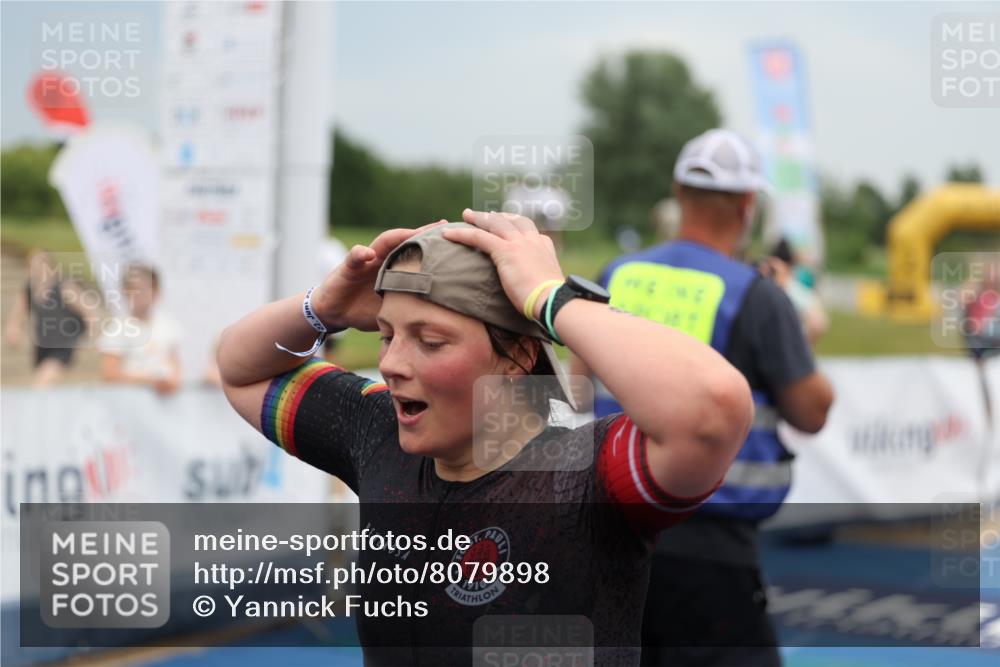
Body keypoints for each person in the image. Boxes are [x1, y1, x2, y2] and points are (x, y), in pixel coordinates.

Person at [217, 210, 754, 665]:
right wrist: (323, 309)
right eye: (386, 335)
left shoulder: (587, 477)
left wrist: (550, 298)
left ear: (518, 357)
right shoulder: (375, 434)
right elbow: (240, 368)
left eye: (430, 341)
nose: (392, 364)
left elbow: (712, 409)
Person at [571, 129, 834, 666]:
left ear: (677, 192)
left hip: (609, 530)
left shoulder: (616, 275)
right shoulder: (757, 296)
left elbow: (575, 388)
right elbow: (812, 412)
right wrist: (796, 322)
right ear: (747, 206)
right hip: (710, 545)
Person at [5, 249, 93, 386]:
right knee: (47, 384)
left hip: (63, 344)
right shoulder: (30, 289)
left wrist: (90, 335)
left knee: (42, 382)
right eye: (34, 265)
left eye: (42, 264)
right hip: (42, 344)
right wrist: (14, 330)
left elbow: (88, 310)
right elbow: (18, 313)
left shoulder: (64, 287)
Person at [98, 264, 182, 395]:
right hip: (131, 404)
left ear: (156, 292)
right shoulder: (117, 329)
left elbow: (175, 365)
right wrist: (150, 381)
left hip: (166, 406)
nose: (140, 295)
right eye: (135, 290)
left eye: (146, 289)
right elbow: (110, 375)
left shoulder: (169, 326)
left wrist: (172, 382)